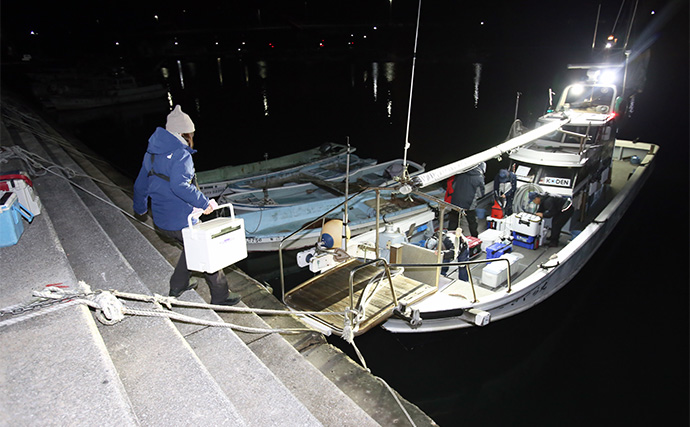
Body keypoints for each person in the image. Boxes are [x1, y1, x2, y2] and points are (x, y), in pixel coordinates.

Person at [133, 105, 240, 306]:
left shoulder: (152, 153)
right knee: (209, 252)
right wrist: (204, 202)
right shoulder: (182, 155)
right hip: (182, 221)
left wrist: (140, 209)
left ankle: (178, 285)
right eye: (191, 133)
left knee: (190, 249)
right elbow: (180, 186)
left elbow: (140, 185)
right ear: (184, 133)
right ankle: (220, 296)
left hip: (161, 222)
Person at [448, 163, 485, 237]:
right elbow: (481, 194)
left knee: (453, 222)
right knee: (472, 222)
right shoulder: (479, 178)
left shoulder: (461, 173)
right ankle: (475, 238)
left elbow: (453, 186)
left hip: (455, 202)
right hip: (469, 204)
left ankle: (449, 237)